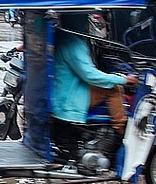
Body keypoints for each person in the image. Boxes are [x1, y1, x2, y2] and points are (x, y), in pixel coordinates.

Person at [53, 12, 138, 140]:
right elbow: (90, 75)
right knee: (114, 89)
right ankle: (122, 131)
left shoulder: (61, 36)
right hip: (68, 100)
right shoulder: (73, 43)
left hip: (59, 94)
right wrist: (123, 79)